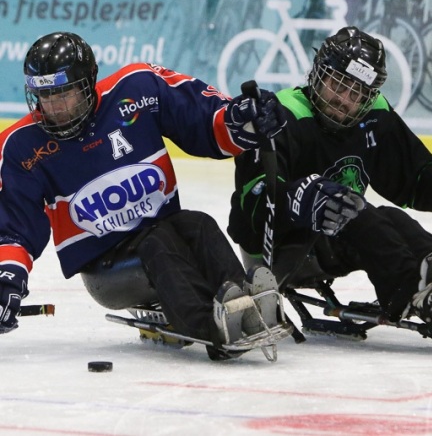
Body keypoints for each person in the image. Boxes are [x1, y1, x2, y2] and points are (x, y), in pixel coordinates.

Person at [0, 32, 290, 361]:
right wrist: (8, 277)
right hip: (104, 264)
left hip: (163, 227)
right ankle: (212, 328)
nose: (54, 107)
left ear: (87, 82)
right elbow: (15, 226)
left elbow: (202, 119)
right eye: (44, 95)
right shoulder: (21, 146)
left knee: (199, 224)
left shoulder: (139, 88)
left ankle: (246, 307)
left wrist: (242, 120)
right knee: (158, 243)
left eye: (63, 92)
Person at [227, 26, 432, 339]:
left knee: (392, 218)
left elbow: (413, 181)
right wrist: (298, 200)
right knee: (353, 208)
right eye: (339, 85)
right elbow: (248, 212)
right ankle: (412, 292)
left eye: (357, 93)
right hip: (283, 251)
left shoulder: (373, 115)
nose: (345, 99)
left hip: (340, 242)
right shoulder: (280, 115)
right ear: (318, 75)